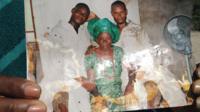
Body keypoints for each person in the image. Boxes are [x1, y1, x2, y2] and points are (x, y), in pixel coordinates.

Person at [111, 0, 188, 110]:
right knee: (135, 99)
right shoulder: (110, 33)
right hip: (126, 73)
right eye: (116, 13)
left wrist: (152, 65)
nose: (119, 15)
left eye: (122, 12)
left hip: (144, 65)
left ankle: (183, 107)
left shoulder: (137, 29)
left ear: (126, 12)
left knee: (170, 83)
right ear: (112, 14)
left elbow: (148, 47)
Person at [38, 3, 93, 112]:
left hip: (82, 77)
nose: (81, 16)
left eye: (84, 15)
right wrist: (76, 78)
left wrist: (90, 49)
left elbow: (87, 48)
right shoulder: (58, 31)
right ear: (73, 10)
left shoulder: (84, 32)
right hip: (63, 77)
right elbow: (56, 61)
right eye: (79, 12)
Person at [84, 18, 125, 112]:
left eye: (108, 38)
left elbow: (131, 68)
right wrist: (100, 99)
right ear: (97, 40)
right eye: (101, 38)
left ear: (112, 38)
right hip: (98, 97)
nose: (105, 41)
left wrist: (130, 84)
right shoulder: (90, 55)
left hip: (118, 97)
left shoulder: (119, 52)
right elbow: (90, 83)